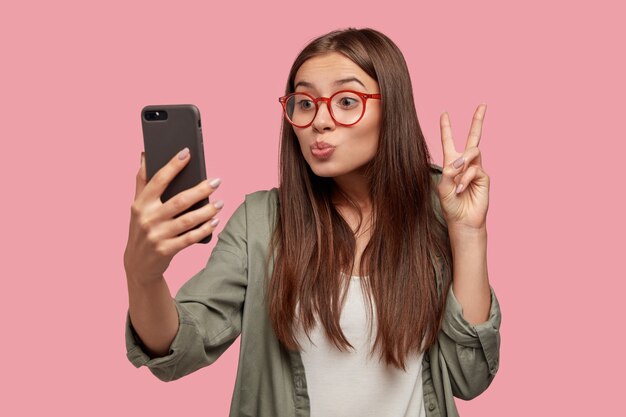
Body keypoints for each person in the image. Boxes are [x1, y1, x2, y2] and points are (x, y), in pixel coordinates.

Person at [123, 27, 501, 417]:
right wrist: (142, 275)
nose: (319, 121)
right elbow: (178, 348)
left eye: (347, 100)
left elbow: (469, 377)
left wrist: (469, 233)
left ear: (393, 109)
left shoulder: (440, 205)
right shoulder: (260, 223)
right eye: (304, 103)